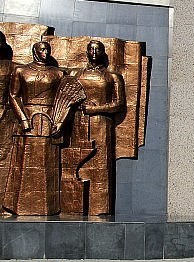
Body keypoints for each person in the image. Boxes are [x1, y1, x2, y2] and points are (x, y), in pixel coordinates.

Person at [4, 41, 65, 215]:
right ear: (34, 51)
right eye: (42, 49)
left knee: (48, 163)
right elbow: (13, 96)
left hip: (49, 119)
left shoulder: (58, 73)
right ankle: (18, 206)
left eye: (47, 49)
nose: (45, 52)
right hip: (28, 119)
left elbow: (63, 100)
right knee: (24, 162)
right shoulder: (21, 71)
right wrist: (23, 118)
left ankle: (48, 207)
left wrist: (59, 120)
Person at [67, 40, 125, 215]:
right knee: (76, 164)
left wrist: (96, 108)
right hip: (78, 123)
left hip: (102, 124)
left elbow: (119, 104)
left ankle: (100, 208)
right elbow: (66, 99)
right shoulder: (75, 74)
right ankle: (74, 206)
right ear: (86, 52)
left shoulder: (113, 76)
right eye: (91, 49)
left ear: (103, 53)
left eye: (97, 49)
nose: (94, 52)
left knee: (101, 167)